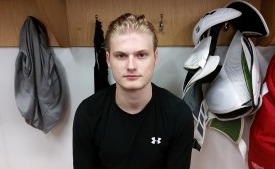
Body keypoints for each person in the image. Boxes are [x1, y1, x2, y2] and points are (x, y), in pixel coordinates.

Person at [72, 13, 194, 169]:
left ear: (155, 57)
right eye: (121, 56)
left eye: (141, 55)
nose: (131, 66)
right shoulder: (88, 113)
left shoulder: (178, 115)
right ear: (108, 59)